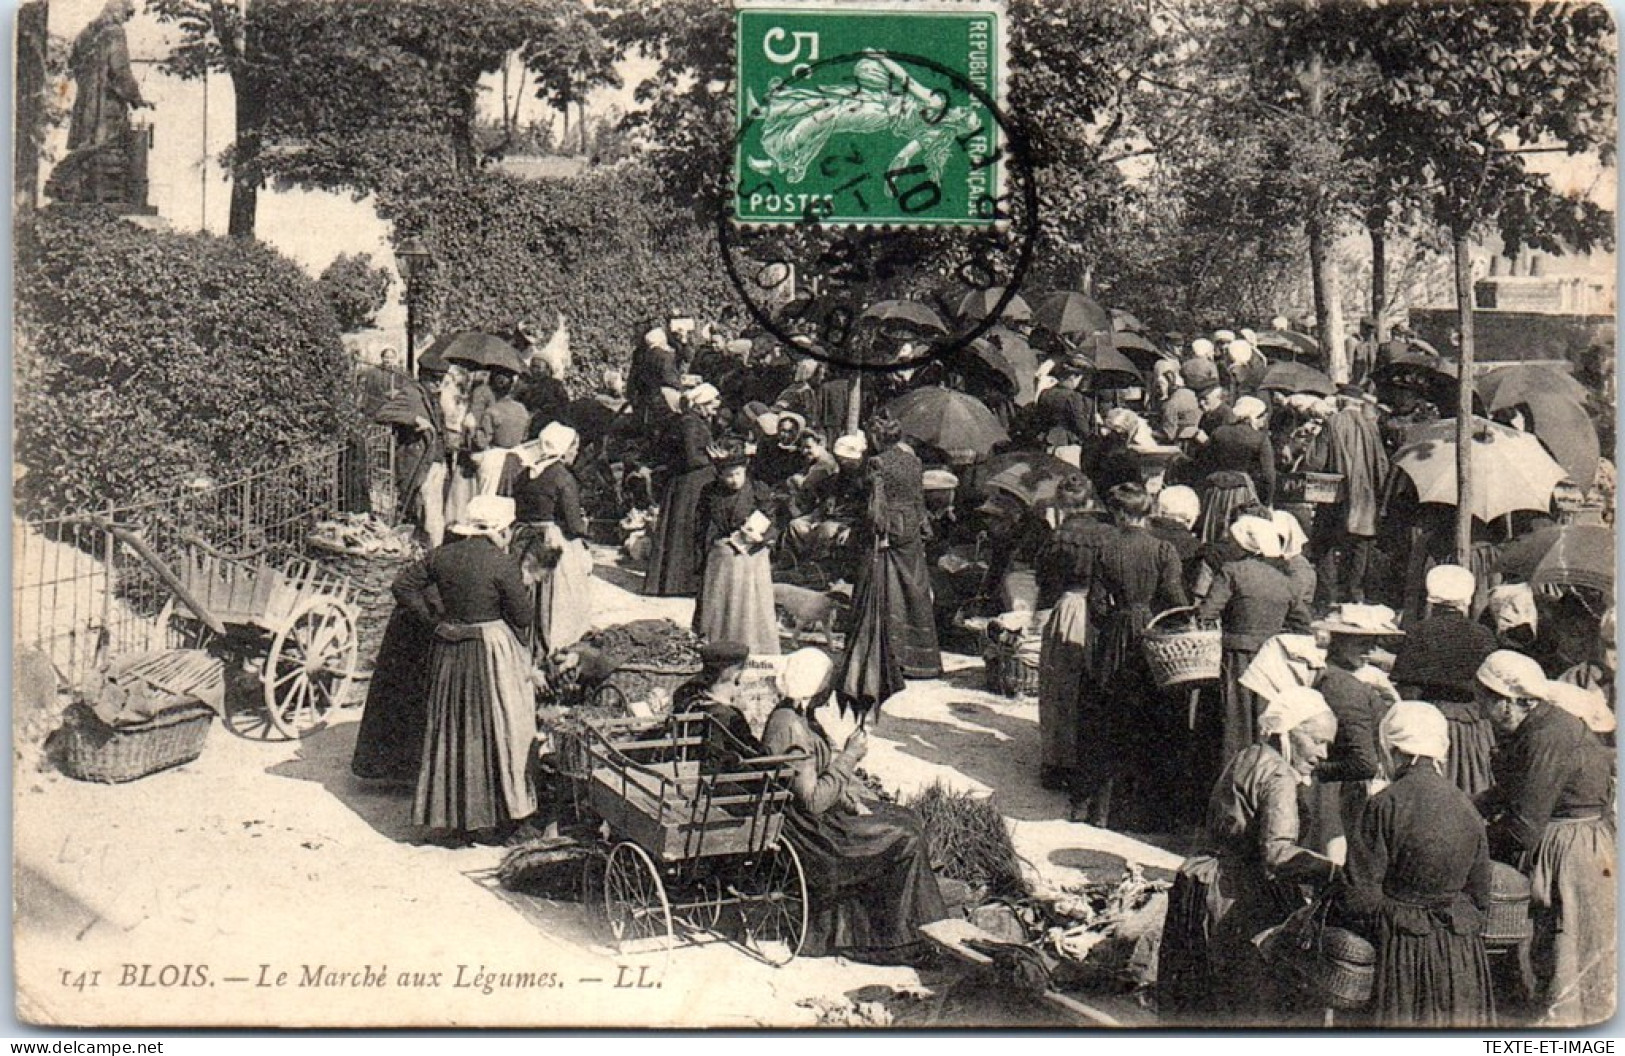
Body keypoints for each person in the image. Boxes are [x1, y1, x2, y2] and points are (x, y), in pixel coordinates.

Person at [1158, 687, 1340, 1023]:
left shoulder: (1249, 754)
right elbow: (1277, 852)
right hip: (1239, 895)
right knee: (1250, 1000)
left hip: (1205, 879)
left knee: (1202, 997)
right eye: (1317, 741)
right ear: (1289, 732)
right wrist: (1332, 871)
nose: (1324, 753)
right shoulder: (1279, 775)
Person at [762, 648, 949, 961]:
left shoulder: (796, 716)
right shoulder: (790, 728)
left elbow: (817, 780)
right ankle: (895, 939)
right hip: (808, 832)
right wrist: (849, 756)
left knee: (907, 818)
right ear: (814, 688)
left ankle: (894, 923)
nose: (831, 693)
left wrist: (849, 799)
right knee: (905, 838)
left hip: (812, 818)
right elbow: (812, 800)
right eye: (828, 686)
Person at [1474, 651, 1616, 1026]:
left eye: (1486, 700)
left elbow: (1523, 826)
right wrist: (1464, 810)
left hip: (1569, 848)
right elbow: (1509, 790)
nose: (1482, 708)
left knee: (1562, 947)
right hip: (1566, 838)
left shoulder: (1548, 736)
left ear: (1510, 702)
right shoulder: (1534, 728)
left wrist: (1472, 844)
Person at [1331, 702, 1495, 1027]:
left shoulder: (1383, 804)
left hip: (1403, 951)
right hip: (1460, 953)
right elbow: (1479, 896)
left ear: (1393, 749)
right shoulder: (1466, 806)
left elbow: (1358, 898)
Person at [406, 495, 539, 844]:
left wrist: (433, 620)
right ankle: (507, 819)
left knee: (451, 728)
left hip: (449, 646)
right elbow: (523, 616)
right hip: (489, 651)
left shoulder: (443, 555)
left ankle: (452, 821)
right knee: (503, 726)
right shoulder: (501, 562)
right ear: (500, 528)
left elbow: (402, 585)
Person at [1080, 482, 1189, 830]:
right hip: (1151, 632)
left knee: (1114, 718)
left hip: (1118, 631)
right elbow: (1175, 598)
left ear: (1118, 513)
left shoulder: (1107, 548)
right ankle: (1145, 813)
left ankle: (1103, 812)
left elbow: (1096, 604)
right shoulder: (1163, 549)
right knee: (1151, 720)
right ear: (1147, 510)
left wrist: (1113, 623)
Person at [836, 414, 942, 720]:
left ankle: (887, 656)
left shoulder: (877, 463)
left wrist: (871, 530)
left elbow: (876, 506)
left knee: (881, 586)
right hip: (912, 529)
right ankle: (921, 660)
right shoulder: (913, 461)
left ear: (879, 439)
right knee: (914, 587)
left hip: (888, 532)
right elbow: (919, 498)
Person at [1195, 514, 1314, 772]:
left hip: (1235, 657)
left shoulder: (1232, 571)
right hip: (1271, 662)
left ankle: (1230, 778)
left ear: (1244, 545)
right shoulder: (1285, 581)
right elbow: (1303, 623)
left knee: (1233, 723)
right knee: (1263, 722)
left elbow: (1207, 613)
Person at [1304, 604, 1404, 862]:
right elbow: (1363, 762)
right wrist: (1319, 772)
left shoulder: (1339, 678)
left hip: (1336, 784)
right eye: (1362, 644)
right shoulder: (1344, 687)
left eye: (1373, 644)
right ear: (1339, 642)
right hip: (1341, 791)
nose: (1370, 651)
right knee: (1336, 853)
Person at [1033, 475, 1113, 799]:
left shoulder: (1059, 537)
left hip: (1069, 608)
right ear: (1090, 502)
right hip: (1099, 612)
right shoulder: (1109, 534)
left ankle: (1057, 761)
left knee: (1060, 687)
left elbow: (1045, 580)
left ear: (1062, 505)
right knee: (1091, 687)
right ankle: (1086, 760)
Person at [1390, 564, 1500, 797]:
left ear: (1432, 601)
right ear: (1466, 601)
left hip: (1430, 718)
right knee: (1473, 783)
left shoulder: (1419, 631)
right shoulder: (1482, 635)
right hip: (1472, 723)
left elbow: (1405, 685)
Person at [45, 0, 150, 205]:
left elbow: (73, 62)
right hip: (106, 104)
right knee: (104, 145)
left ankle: (77, 189)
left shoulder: (86, 34)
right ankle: (65, 180)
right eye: (127, 14)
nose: (126, 20)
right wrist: (137, 99)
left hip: (86, 102)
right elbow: (120, 71)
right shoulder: (114, 32)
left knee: (89, 144)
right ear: (118, 11)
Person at [350, 556, 437, 785]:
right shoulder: (438, 560)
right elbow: (401, 586)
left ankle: (400, 767)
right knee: (405, 699)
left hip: (413, 632)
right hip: (413, 634)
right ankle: (395, 767)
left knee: (404, 701)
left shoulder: (442, 558)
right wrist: (429, 617)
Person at [510, 422, 593, 654]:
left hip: (524, 537)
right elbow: (573, 523)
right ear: (564, 448)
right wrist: (584, 532)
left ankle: (526, 639)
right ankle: (554, 644)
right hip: (550, 539)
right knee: (557, 597)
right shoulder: (562, 477)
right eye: (573, 448)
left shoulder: (526, 473)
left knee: (528, 589)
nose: (575, 452)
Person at [692, 445, 780, 656]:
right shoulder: (710, 492)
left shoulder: (758, 489)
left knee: (749, 603)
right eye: (728, 476)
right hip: (723, 551)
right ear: (719, 475)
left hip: (752, 552)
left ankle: (753, 647)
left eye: (738, 474)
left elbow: (770, 518)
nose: (734, 480)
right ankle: (717, 643)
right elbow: (700, 524)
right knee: (720, 596)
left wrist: (760, 536)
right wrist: (702, 555)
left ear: (745, 471)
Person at [1305, 386, 1388, 606]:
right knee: (1360, 545)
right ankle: (1355, 594)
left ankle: (1328, 597)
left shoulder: (1333, 423)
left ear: (1341, 401)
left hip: (1336, 495)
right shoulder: (1371, 426)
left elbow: (1315, 462)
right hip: (1366, 496)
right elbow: (1382, 463)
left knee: (1325, 544)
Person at [644, 383, 720, 596]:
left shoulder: (691, 421)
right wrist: (715, 458)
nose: (716, 406)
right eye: (713, 402)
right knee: (686, 531)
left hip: (688, 483)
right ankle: (680, 584)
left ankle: (676, 582)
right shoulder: (691, 424)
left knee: (683, 531)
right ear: (702, 403)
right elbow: (691, 457)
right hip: (690, 484)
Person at [375, 363, 450, 547]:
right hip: (417, 460)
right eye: (434, 379)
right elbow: (383, 413)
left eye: (441, 379)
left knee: (431, 511)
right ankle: (429, 552)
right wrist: (414, 419)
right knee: (423, 510)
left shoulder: (432, 397)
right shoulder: (411, 393)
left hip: (435, 459)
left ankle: (429, 550)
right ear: (423, 376)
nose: (438, 384)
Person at [671, 640, 761, 762]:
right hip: (720, 777)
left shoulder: (688, 700)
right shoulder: (729, 716)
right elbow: (752, 756)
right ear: (736, 675)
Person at [1196, 394, 1276, 506]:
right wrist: (1267, 503)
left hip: (1216, 491)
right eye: (1262, 417)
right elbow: (1268, 476)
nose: (1263, 421)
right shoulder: (1260, 439)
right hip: (1242, 493)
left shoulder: (1218, 433)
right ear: (1253, 416)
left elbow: (1205, 463)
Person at [473, 368, 531, 496]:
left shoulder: (493, 410)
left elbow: (482, 442)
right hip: (518, 459)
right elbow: (525, 435)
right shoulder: (522, 410)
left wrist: (472, 428)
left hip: (494, 461)